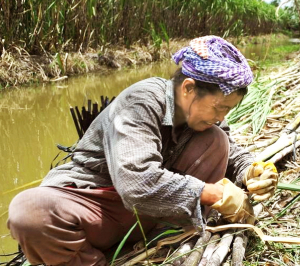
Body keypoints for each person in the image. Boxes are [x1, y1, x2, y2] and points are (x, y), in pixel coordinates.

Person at [7, 36, 279, 266]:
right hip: (102, 204)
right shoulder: (142, 102)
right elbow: (136, 185)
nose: (221, 117)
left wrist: (250, 170)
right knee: (29, 212)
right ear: (188, 88)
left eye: (227, 110)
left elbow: (229, 149)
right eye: (219, 107)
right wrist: (213, 193)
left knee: (217, 139)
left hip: (158, 211)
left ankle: (167, 236)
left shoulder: (206, 115)